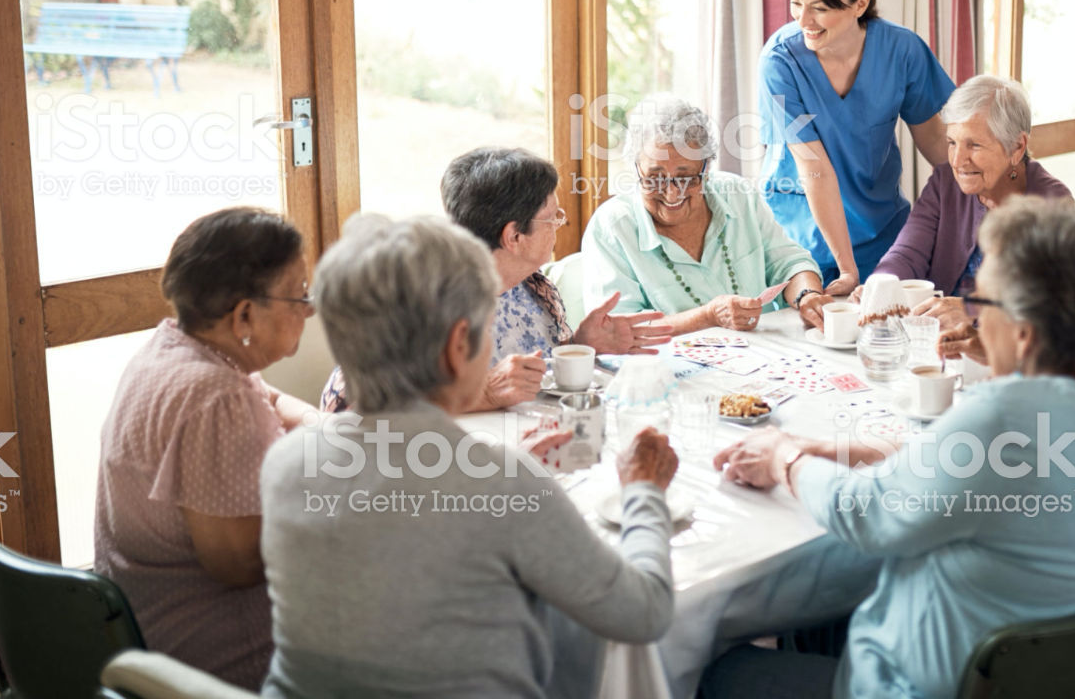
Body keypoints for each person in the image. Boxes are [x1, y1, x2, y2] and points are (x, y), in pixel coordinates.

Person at [705, 198, 1075, 699]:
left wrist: (784, 458)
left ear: (1025, 331)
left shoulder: (1006, 413)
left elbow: (867, 513)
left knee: (713, 668)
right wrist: (842, 449)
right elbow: (978, 461)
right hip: (1073, 674)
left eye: (980, 304)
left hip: (920, 685)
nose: (972, 320)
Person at [260, 214, 678, 699]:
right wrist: (645, 490)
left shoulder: (287, 463)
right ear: (460, 346)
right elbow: (644, 613)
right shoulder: (502, 483)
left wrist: (496, 470)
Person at [95, 208, 318, 688]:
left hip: (142, 620)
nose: (310, 309)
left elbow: (270, 396)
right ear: (244, 314)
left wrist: (319, 426)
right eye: (300, 294)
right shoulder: (219, 398)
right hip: (213, 654)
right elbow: (239, 566)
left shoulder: (173, 348)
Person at [321, 146, 671, 413]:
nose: (560, 224)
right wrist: (483, 393)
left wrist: (582, 346)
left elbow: (541, 377)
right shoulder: (421, 297)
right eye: (552, 217)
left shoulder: (536, 288)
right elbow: (349, 412)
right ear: (514, 237)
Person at [759, 0, 956, 295]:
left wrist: (990, 181)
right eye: (796, 4)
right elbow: (813, 167)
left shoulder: (902, 51)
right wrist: (847, 270)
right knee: (810, 337)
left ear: (860, 3)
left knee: (886, 332)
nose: (804, 20)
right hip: (799, 230)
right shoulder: (780, 62)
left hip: (880, 227)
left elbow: (933, 140)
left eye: (819, 7)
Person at [860, 75, 1071, 358]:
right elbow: (907, 253)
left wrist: (971, 308)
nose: (958, 161)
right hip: (936, 348)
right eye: (952, 142)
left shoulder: (1052, 203)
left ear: (1017, 147)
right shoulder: (944, 182)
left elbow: (1050, 300)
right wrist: (879, 286)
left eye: (974, 145)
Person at [582, 96, 831, 335]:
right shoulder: (612, 228)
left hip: (763, 357)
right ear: (636, 168)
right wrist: (708, 316)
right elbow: (617, 330)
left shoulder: (738, 195)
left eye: (687, 178)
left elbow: (789, 262)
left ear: (707, 168)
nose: (671, 194)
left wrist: (806, 295)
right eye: (654, 178)